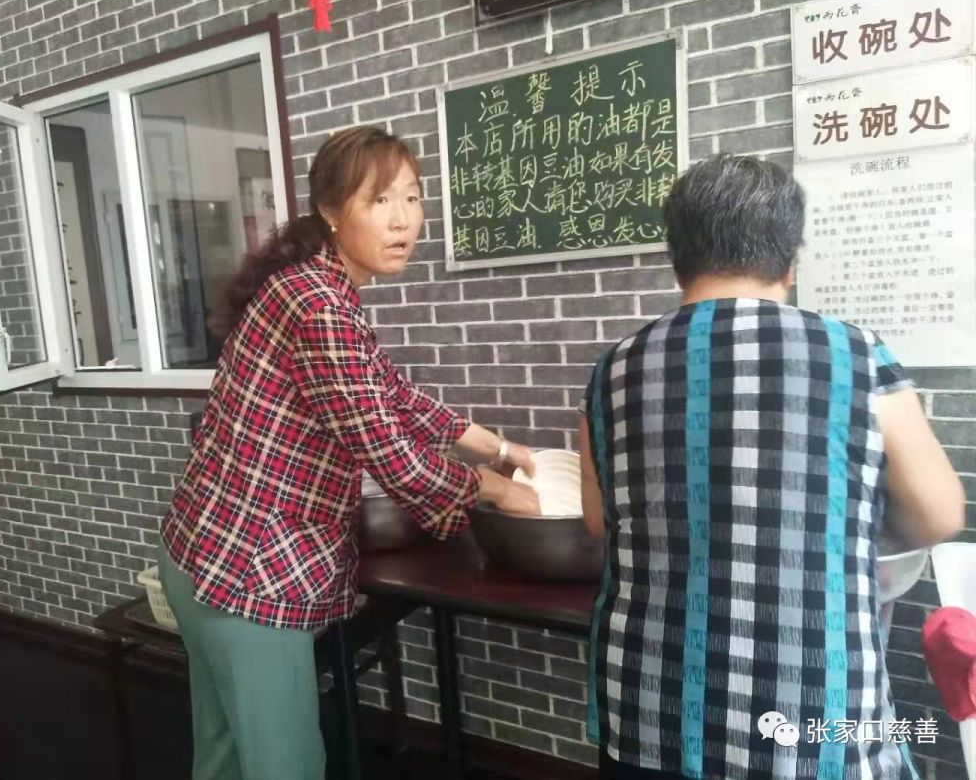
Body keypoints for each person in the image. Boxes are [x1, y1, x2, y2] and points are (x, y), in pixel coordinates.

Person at [158, 125, 540, 780]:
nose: (403, 220)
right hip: (250, 572)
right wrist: (500, 490)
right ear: (332, 212)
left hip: (203, 555)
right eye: (379, 200)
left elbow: (388, 393)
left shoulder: (314, 287)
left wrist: (495, 445)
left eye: (412, 198)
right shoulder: (321, 307)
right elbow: (390, 453)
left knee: (224, 758)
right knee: (285, 766)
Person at [578, 154, 965, 780]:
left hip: (651, 706)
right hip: (808, 712)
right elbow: (939, 515)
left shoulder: (612, 370)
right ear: (789, 263)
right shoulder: (855, 354)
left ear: (677, 260)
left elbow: (600, 522)